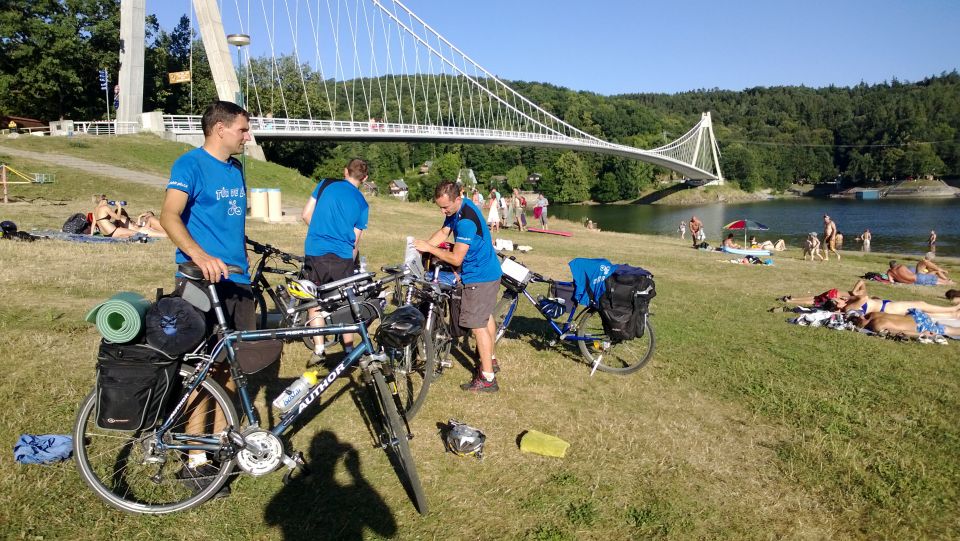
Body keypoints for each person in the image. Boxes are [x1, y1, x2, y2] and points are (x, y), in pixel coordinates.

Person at [159, 100, 253, 496]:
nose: (247, 136)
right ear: (219, 129)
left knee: (232, 365)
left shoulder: (236, 169)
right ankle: (195, 458)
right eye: (242, 129)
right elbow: (169, 216)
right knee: (201, 369)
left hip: (237, 281)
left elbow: (229, 224)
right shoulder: (190, 165)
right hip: (201, 282)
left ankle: (220, 447)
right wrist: (199, 255)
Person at [414, 180, 502, 392]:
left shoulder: (466, 221)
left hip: (479, 276)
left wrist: (430, 249)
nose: (443, 211)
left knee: (477, 325)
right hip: (489, 272)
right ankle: (491, 359)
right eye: (440, 207)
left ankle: (488, 379)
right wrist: (423, 248)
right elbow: (444, 232)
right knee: (485, 316)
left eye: (445, 207)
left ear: (457, 198)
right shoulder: (459, 208)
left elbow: (455, 258)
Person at [300, 158, 370, 366]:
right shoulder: (362, 203)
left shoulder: (325, 184)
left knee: (315, 301)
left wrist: (321, 231)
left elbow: (305, 215)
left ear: (345, 171)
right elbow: (355, 241)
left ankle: (319, 349)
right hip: (343, 256)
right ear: (365, 178)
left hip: (316, 251)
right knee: (345, 303)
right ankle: (349, 350)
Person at [849, 311, 957, 343]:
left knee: (952, 326)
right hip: (920, 322)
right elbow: (901, 332)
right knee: (953, 329)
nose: (861, 316)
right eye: (857, 318)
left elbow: (901, 332)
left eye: (859, 315)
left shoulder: (873, 318)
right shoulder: (875, 323)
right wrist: (922, 334)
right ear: (857, 324)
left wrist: (922, 334)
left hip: (917, 319)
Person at [94, 195, 167, 238]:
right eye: (106, 199)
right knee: (153, 222)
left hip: (108, 233)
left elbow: (95, 222)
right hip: (141, 231)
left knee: (153, 221)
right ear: (102, 200)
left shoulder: (96, 209)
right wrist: (119, 206)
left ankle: (169, 230)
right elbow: (118, 217)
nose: (107, 201)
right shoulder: (106, 208)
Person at [888, 260, 954, 286]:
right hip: (917, 278)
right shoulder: (901, 266)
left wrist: (898, 280)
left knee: (933, 282)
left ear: (890, 267)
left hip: (914, 283)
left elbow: (891, 282)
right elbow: (911, 273)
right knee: (935, 278)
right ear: (896, 264)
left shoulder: (889, 272)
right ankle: (948, 281)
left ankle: (947, 282)